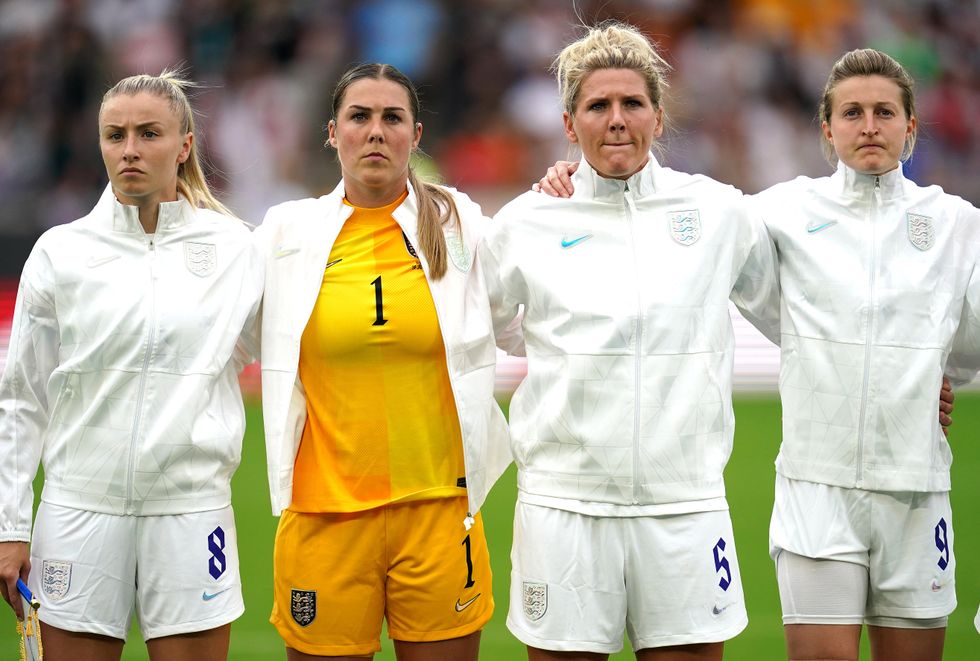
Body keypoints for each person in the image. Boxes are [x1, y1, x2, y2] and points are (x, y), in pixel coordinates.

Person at [479, 22, 781, 661]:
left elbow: (795, 312)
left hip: (685, 505)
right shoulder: (527, 222)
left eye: (631, 104)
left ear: (658, 115)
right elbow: (494, 327)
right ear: (570, 124)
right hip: (564, 505)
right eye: (597, 106)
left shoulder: (720, 213)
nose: (616, 120)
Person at [0, 71, 263, 660]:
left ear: (185, 144)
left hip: (192, 511)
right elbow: (20, 400)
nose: (130, 150)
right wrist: (9, 526)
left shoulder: (234, 250)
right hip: (78, 510)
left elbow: (289, 354)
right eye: (115, 135)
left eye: (149, 133)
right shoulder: (61, 252)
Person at [254, 63, 512, 660]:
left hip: (440, 515)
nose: (375, 131)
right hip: (324, 517)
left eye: (392, 118)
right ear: (332, 132)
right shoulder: (284, 234)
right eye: (359, 117)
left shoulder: (462, 224)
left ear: (415, 135)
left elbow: (528, 315)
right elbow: (222, 333)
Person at [755, 48, 980, 661]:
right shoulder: (781, 212)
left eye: (885, 112)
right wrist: (570, 179)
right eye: (852, 112)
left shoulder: (957, 224)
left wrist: (932, 376)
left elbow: (970, 343)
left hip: (917, 489)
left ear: (911, 127)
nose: (869, 125)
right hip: (815, 489)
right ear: (827, 130)